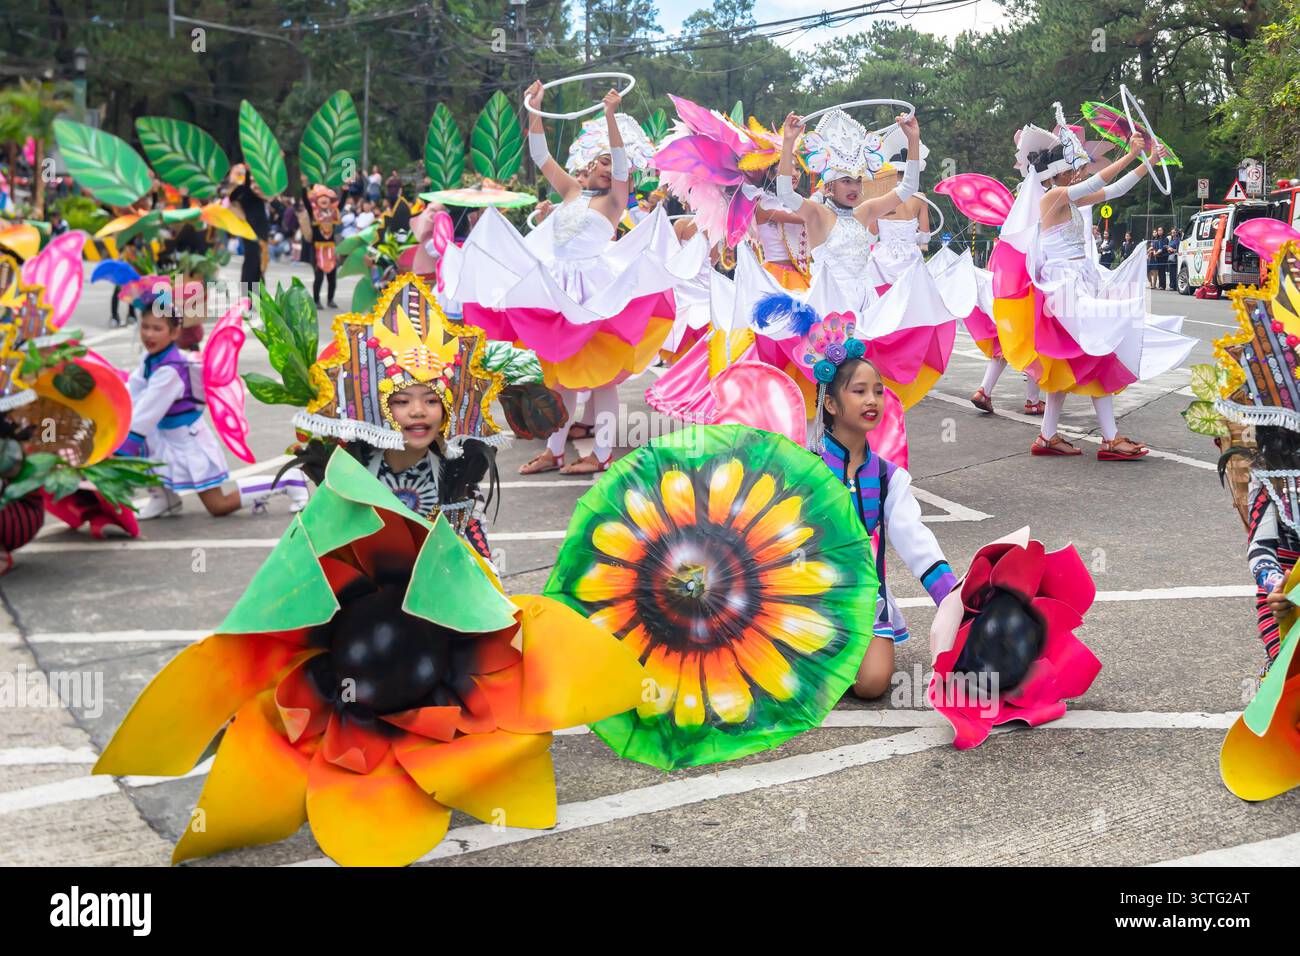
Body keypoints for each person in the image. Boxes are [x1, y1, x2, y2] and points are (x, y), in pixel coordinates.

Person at [441, 79, 701, 476]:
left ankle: (600, 454)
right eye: (599, 161)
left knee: (600, 380)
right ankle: (555, 450)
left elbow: (619, 158)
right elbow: (541, 154)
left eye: (612, 164)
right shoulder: (569, 194)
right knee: (558, 378)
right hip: (558, 290)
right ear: (587, 165)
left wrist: (610, 116)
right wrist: (535, 109)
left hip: (594, 292)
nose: (606, 166)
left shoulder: (614, 200)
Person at [995, 110, 1195, 460]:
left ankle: (1048, 436)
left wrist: (1145, 163)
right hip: (1063, 290)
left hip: (1078, 284)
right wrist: (1132, 154)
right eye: (1075, 166)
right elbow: (1093, 183)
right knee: (1097, 348)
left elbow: (1112, 189)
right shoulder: (1052, 198)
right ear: (1060, 173)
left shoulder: (1068, 199)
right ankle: (1110, 438)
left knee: (1073, 361)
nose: (1081, 169)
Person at [816, 352, 956, 697]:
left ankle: (833, 659)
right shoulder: (808, 466)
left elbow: (915, 540)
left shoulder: (887, 476)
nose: (872, 400)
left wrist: (954, 599)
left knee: (872, 684)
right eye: (859, 391)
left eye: (878, 391)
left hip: (864, 596)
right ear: (831, 404)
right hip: (806, 594)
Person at [122, 310, 307, 518]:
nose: (149, 334)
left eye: (157, 329)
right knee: (144, 444)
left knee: (218, 505)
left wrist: (120, 446)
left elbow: (147, 413)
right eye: (145, 327)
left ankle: (287, 481)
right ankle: (165, 499)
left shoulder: (171, 369)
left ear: (174, 333)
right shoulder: (151, 358)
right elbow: (135, 390)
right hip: (167, 435)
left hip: (188, 441)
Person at [228, 164, 270, 290]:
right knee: (251, 262)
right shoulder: (244, 193)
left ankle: (258, 295)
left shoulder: (255, 195)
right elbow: (245, 187)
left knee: (260, 264)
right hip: (251, 231)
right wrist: (247, 169)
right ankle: (248, 295)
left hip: (261, 231)